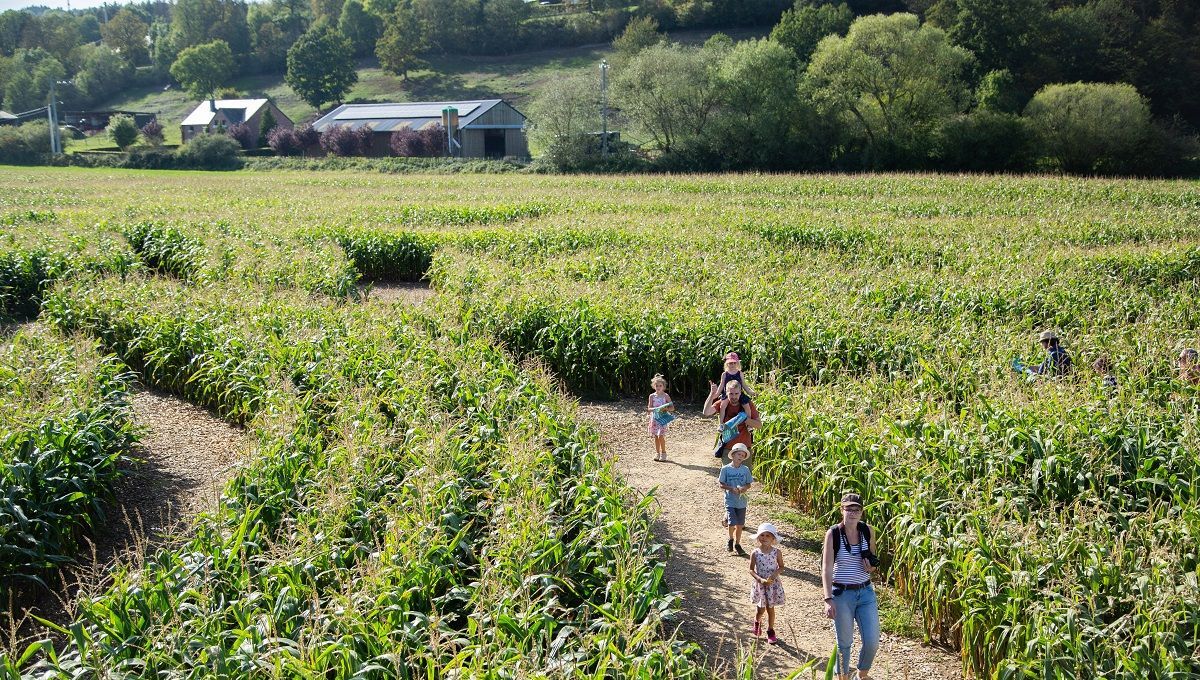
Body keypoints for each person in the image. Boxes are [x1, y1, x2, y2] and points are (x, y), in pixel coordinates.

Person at [822, 493, 880, 680]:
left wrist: (871, 567)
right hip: (842, 594)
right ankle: (843, 677)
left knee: (872, 641)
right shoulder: (833, 533)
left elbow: (872, 561)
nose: (852, 513)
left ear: (862, 512)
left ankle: (861, 675)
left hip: (865, 592)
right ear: (842, 510)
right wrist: (828, 598)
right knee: (844, 644)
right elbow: (827, 567)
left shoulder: (868, 531)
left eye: (856, 509)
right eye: (848, 509)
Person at [703, 379, 761, 459]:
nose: (734, 397)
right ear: (726, 393)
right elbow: (706, 412)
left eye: (736, 393)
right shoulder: (722, 403)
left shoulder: (747, 404)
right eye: (731, 394)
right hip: (728, 449)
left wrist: (743, 419)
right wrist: (712, 394)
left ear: (740, 392)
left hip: (744, 449)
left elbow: (759, 425)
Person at [749, 522, 785, 645]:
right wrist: (760, 579)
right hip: (761, 584)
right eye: (762, 535)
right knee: (760, 609)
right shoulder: (755, 553)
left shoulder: (777, 552)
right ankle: (757, 622)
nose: (764, 538)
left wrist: (774, 575)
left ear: (773, 539)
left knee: (771, 608)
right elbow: (751, 570)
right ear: (758, 537)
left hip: (772, 585)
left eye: (768, 536)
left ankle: (770, 630)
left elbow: (781, 567)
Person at [718, 443, 753, 555]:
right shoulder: (726, 469)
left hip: (742, 501)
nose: (740, 457)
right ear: (732, 455)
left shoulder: (745, 469)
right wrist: (731, 488)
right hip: (730, 500)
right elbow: (721, 484)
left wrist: (743, 488)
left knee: (740, 525)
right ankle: (730, 539)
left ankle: (738, 544)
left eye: (743, 455)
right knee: (732, 522)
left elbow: (749, 484)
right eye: (739, 454)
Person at [646, 374, 676, 462]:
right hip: (654, 418)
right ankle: (657, 453)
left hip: (662, 418)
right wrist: (655, 409)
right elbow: (649, 408)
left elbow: (672, 408)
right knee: (656, 436)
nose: (658, 387)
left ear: (663, 386)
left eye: (660, 385)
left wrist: (665, 408)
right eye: (656, 385)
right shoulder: (652, 396)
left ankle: (663, 453)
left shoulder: (666, 396)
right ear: (653, 386)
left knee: (661, 435)